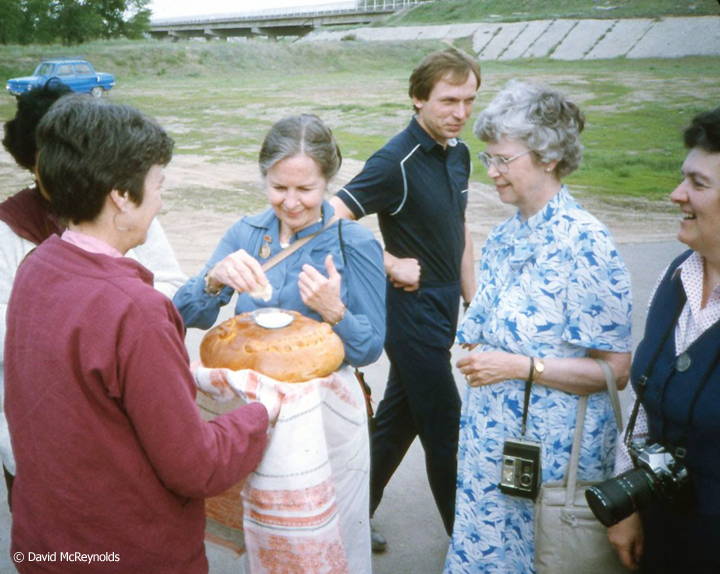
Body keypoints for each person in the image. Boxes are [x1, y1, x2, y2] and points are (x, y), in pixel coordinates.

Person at [4, 95, 270, 573]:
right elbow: (196, 466)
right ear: (121, 196)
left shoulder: (36, 267)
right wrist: (259, 413)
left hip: (45, 542)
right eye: (158, 184)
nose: (161, 200)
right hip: (127, 553)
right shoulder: (136, 311)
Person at [173, 113, 386, 572]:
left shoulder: (354, 244)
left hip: (324, 426)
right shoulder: (246, 233)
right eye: (278, 187)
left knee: (330, 537)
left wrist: (335, 311)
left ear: (328, 180)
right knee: (265, 534)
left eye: (305, 189)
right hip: (253, 420)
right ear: (264, 178)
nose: (291, 202)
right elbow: (186, 317)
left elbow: (370, 348)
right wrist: (212, 281)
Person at [444, 80, 633, 572]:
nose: (493, 173)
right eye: (488, 159)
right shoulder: (506, 235)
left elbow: (617, 371)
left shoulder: (586, 242)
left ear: (549, 157)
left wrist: (521, 366)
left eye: (503, 160)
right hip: (493, 450)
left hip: (551, 463)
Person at [0, 84, 186, 507]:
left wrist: (116, 315)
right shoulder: (9, 228)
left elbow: (172, 287)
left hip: (116, 423)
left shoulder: (130, 215)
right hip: (33, 430)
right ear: (32, 164)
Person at [329, 47, 481, 548]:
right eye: (448, 100)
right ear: (417, 99)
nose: (460, 113)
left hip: (444, 308)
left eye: (469, 101)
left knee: (398, 421)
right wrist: (389, 262)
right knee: (445, 425)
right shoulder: (395, 160)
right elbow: (326, 221)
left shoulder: (458, 153)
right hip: (407, 314)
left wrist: (474, 303)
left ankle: (346, 518)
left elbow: (458, 228)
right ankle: (473, 545)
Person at [607, 106, 720, 573]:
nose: (677, 195)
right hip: (663, 530)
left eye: (698, 184)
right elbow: (639, 409)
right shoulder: (676, 274)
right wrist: (626, 503)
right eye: (682, 179)